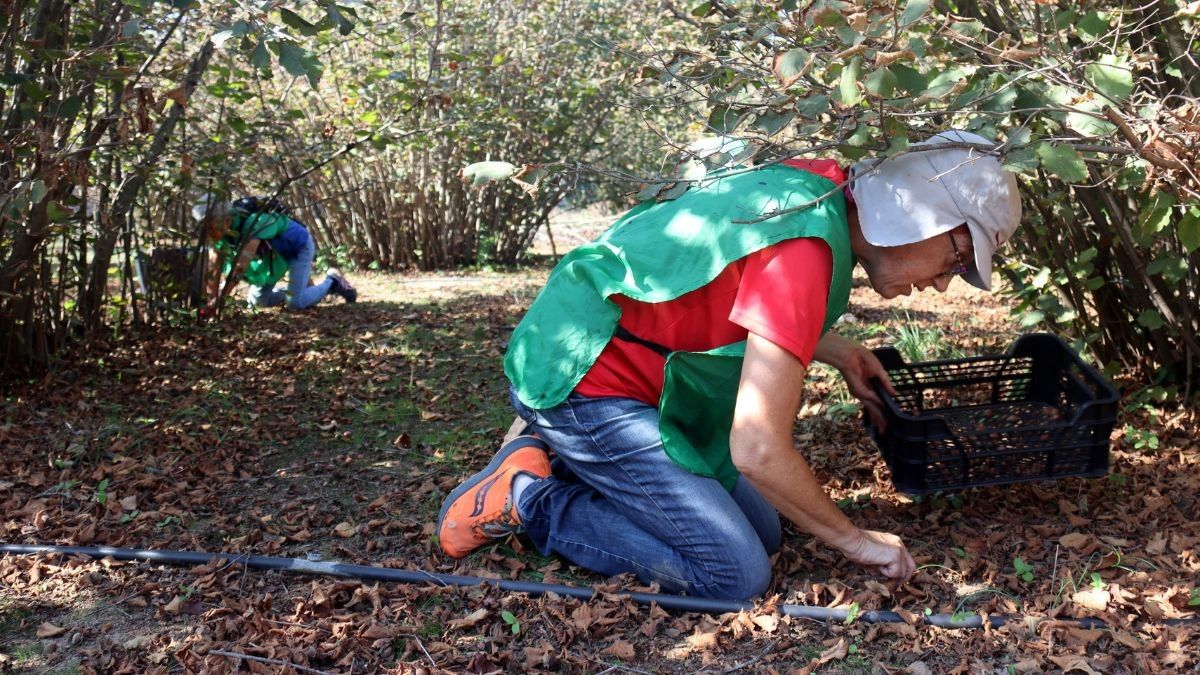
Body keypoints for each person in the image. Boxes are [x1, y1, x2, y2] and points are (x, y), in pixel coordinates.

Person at [436, 130, 1022, 600]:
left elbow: (734, 286)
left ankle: (573, 464)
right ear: (915, 214)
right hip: (580, 377)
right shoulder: (805, 252)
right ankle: (528, 497)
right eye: (956, 256)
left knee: (766, 533)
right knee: (733, 573)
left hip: (637, 377)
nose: (945, 284)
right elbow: (758, 448)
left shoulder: (816, 190)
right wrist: (856, 540)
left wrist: (839, 350)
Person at [193, 196, 357, 311]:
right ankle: (301, 288)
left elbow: (240, 266)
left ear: (226, 220)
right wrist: (210, 300)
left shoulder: (255, 222)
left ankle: (333, 282)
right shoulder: (222, 232)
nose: (209, 233)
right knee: (259, 301)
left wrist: (219, 299)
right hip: (273, 258)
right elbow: (214, 266)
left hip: (297, 248)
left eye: (211, 227)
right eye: (205, 228)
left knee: (296, 303)